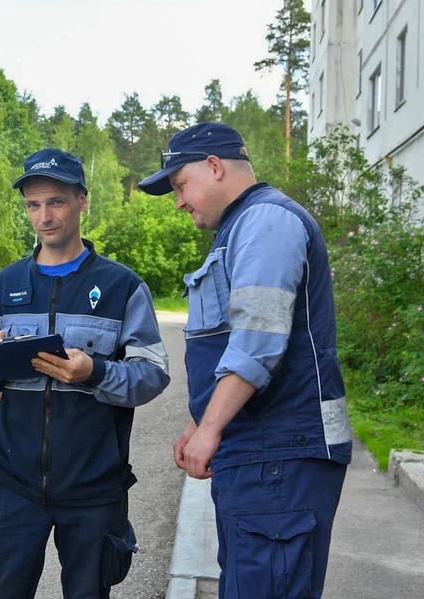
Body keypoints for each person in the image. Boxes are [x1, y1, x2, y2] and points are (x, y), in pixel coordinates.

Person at [139, 122, 352, 599]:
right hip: (265, 454)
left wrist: (211, 427)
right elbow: (233, 339)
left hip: (278, 453)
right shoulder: (243, 227)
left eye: (180, 185)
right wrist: (201, 423)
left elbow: (258, 340)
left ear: (214, 167)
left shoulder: (266, 222)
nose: (179, 201)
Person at [0, 148, 171, 598]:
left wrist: (94, 372)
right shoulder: (4, 286)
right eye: (33, 205)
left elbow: (153, 374)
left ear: (83, 200)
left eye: (56, 201)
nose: (45, 216)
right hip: (14, 486)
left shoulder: (122, 286)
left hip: (94, 489)